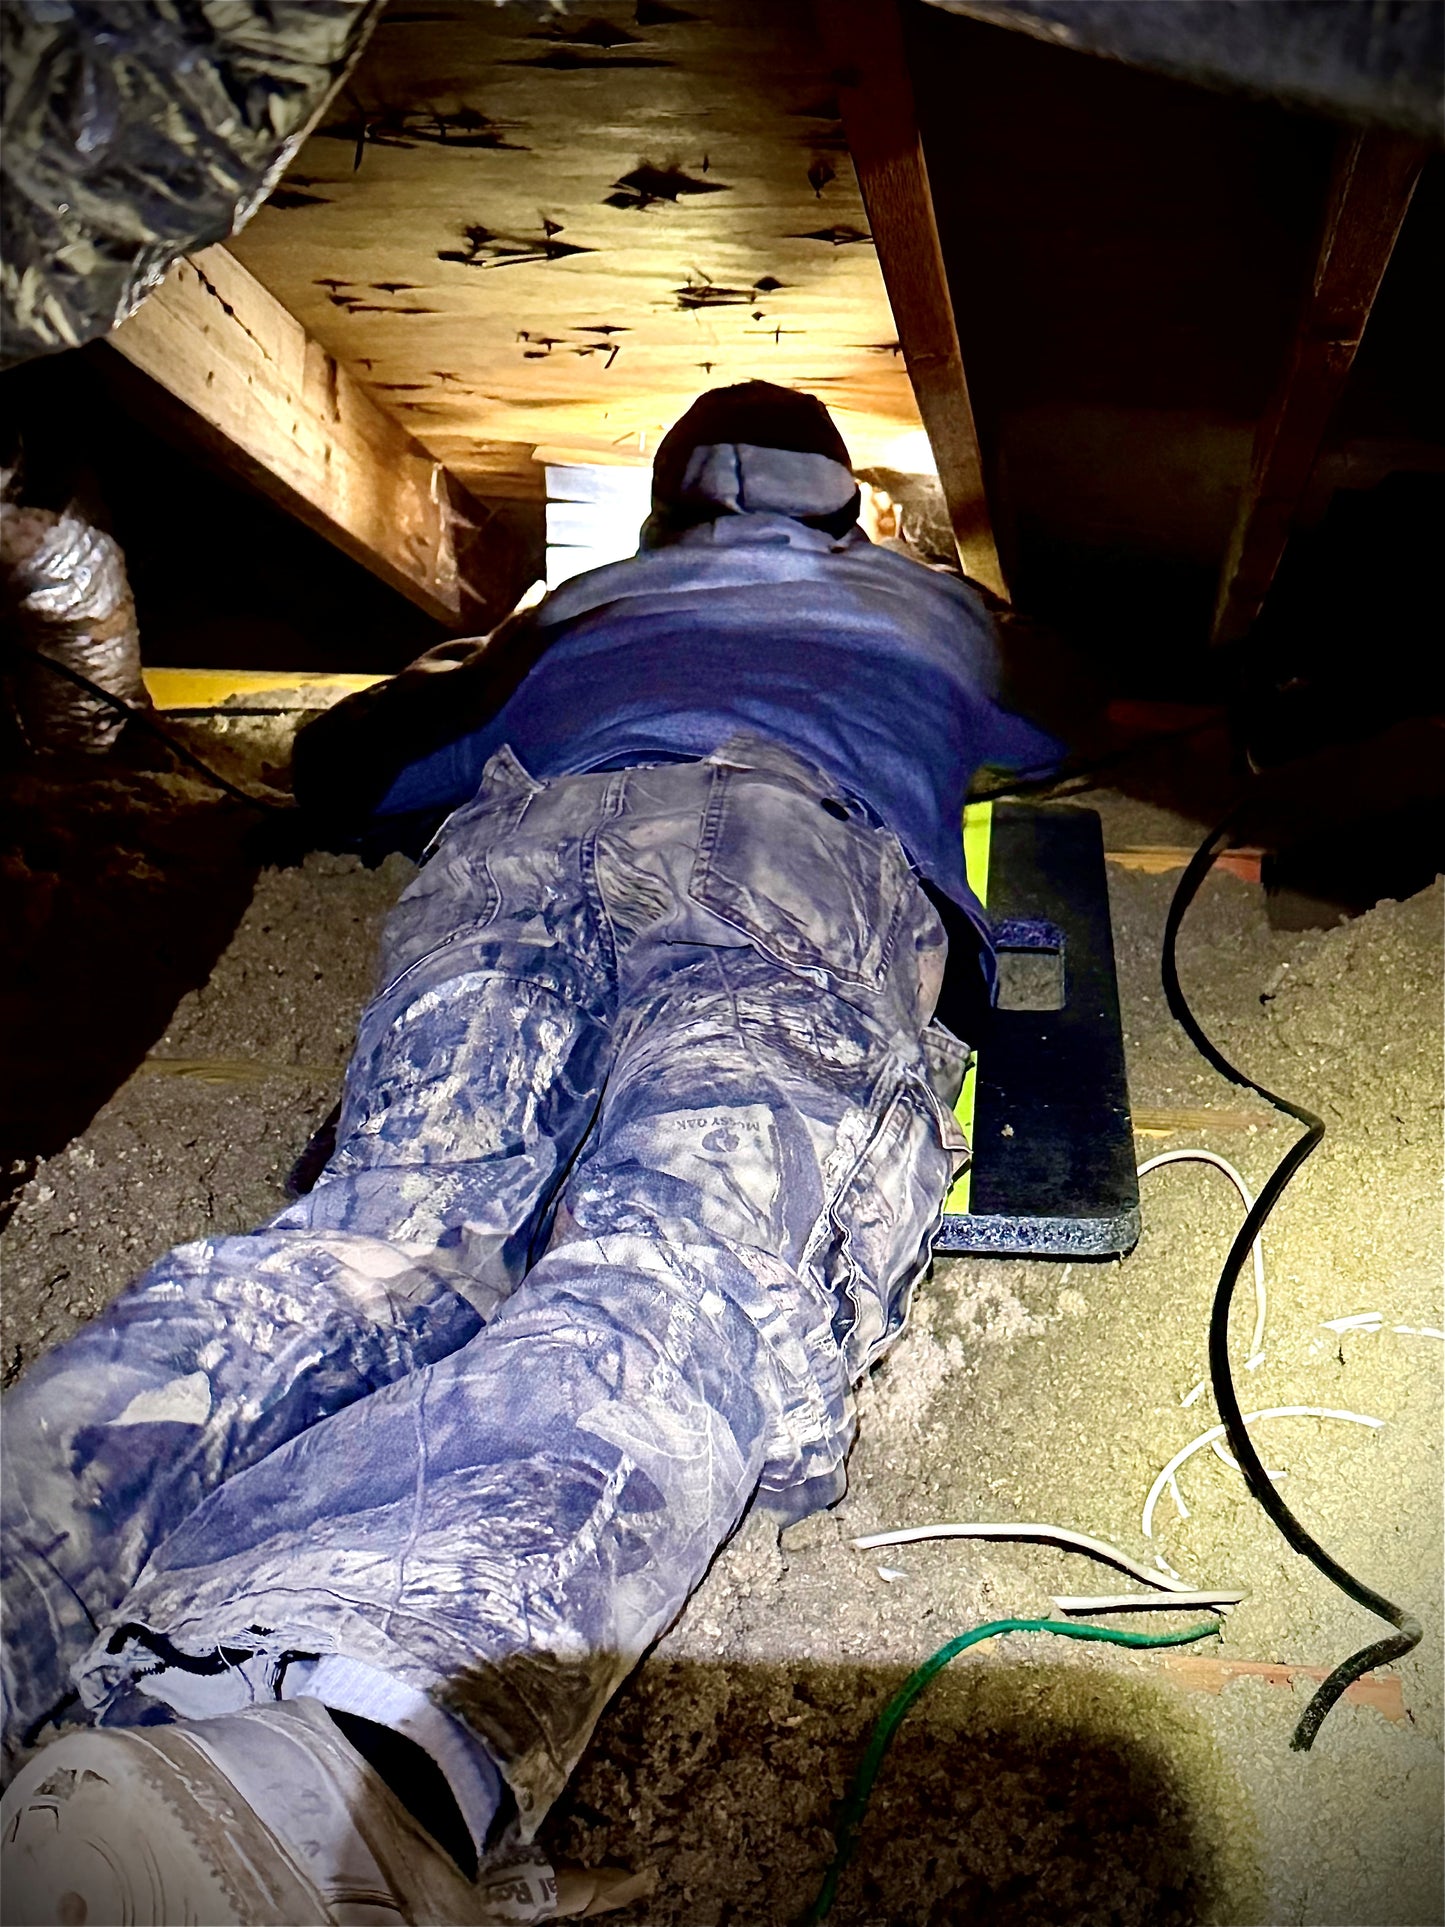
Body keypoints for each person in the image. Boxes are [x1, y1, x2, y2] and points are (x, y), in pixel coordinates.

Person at [0, 383, 1056, 1924]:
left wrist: (490, 656)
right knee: (678, 1277)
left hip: (523, 849)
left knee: (371, 1245)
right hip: (790, 857)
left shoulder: (584, 608)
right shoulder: (929, 606)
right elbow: (1091, 730)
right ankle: (313, 1779)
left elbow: (345, 771)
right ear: (847, 508)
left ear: (666, 511)